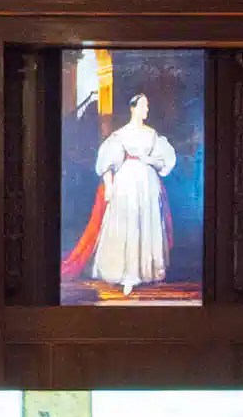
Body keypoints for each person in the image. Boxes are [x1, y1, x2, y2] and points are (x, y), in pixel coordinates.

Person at [74, 81, 183, 300]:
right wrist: (110, 185)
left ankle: (144, 271)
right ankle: (123, 272)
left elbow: (167, 160)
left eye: (147, 106)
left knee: (145, 221)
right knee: (127, 222)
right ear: (133, 108)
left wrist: (149, 159)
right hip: (126, 182)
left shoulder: (152, 135)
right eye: (143, 105)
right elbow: (107, 162)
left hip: (147, 182)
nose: (146, 110)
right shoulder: (120, 135)